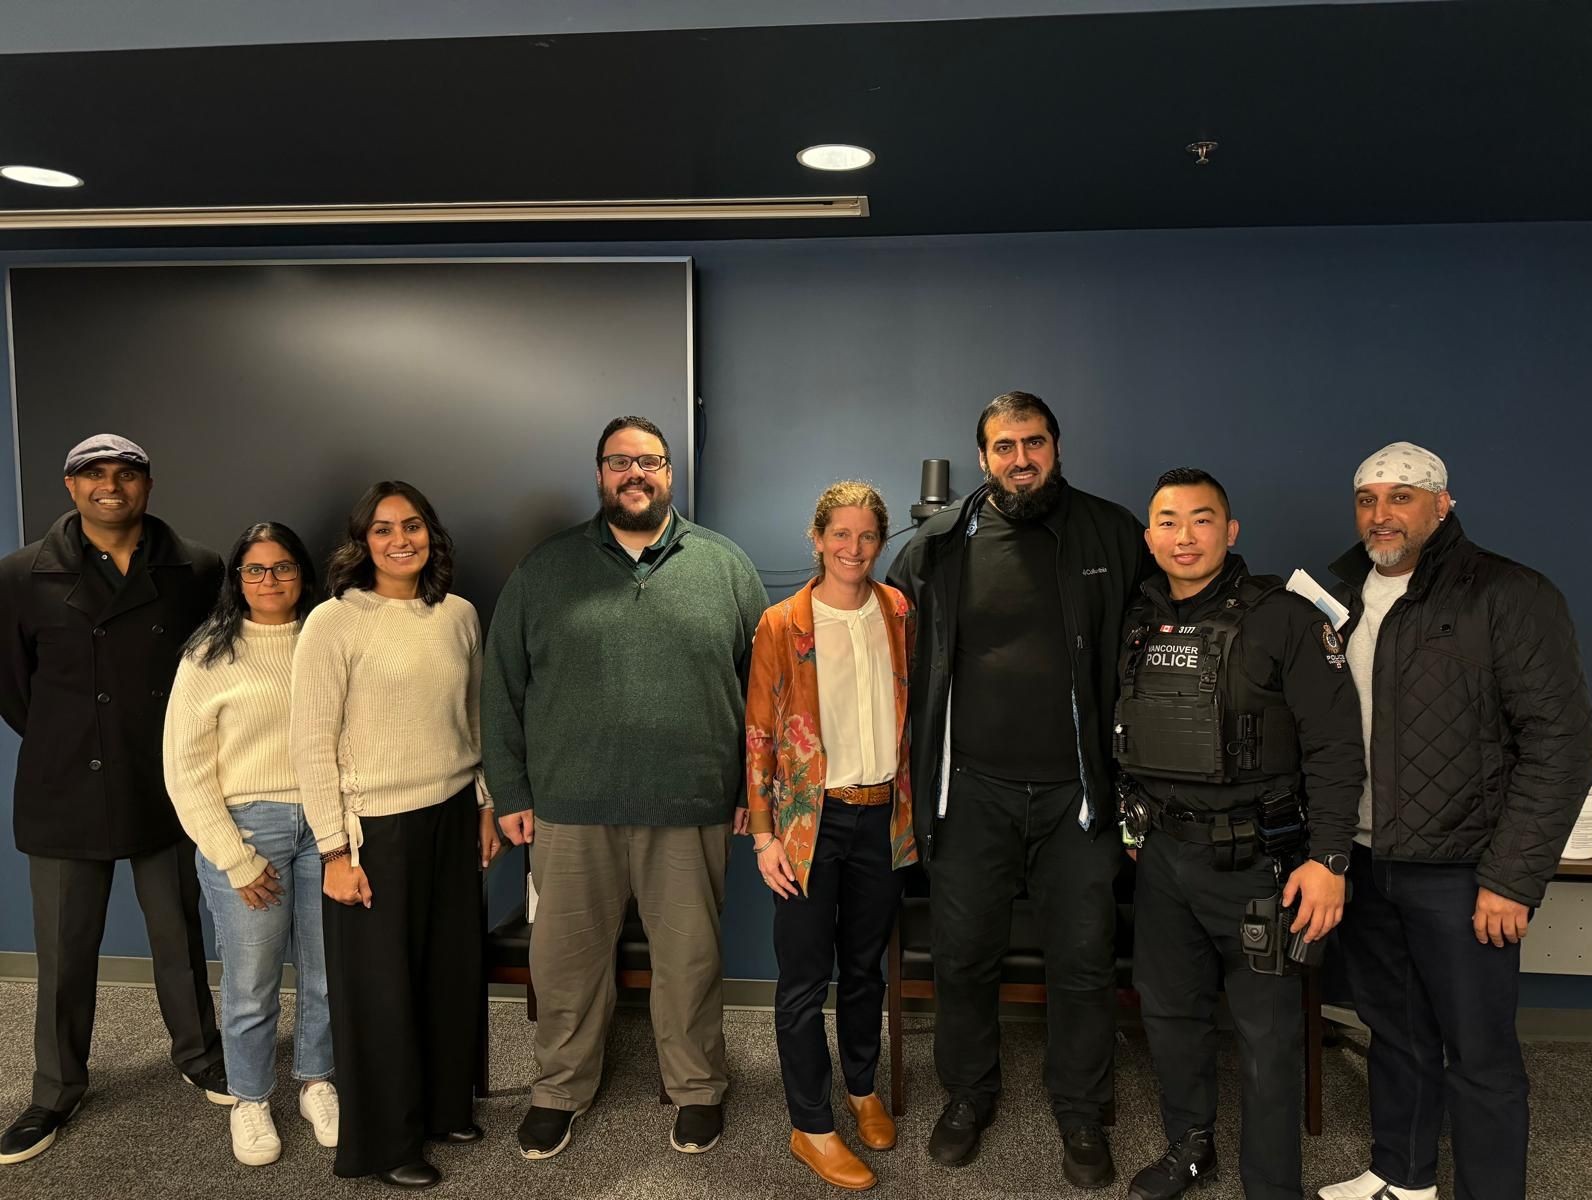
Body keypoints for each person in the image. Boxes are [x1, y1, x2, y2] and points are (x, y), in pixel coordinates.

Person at [484, 415, 767, 1161]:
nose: (635, 474)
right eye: (620, 462)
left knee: (691, 961)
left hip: (692, 805)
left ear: (670, 473)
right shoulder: (545, 569)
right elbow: (500, 686)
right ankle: (558, 1090)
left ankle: (698, 1087)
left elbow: (763, 690)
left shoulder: (725, 565)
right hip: (570, 810)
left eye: (650, 461)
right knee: (566, 963)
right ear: (600, 474)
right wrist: (510, 792)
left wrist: (752, 787)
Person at [886, 391, 1150, 1187]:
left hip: (1080, 795)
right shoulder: (937, 544)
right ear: (983, 458)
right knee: (965, 958)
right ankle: (968, 1096)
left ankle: (1081, 1108)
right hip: (971, 792)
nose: (1021, 458)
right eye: (1004, 446)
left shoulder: (1112, 531)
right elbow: (880, 638)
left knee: (1081, 962)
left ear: (1058, 446)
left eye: (1033, 442)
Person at [1317, 443, 1592, 1200]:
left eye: (1402, 496)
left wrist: (1512, 877)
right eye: (1368, 498)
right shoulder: (1337, 597)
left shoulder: (1507, 593)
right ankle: (1402, 1179)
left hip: (1465, 872)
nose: (1382, 513)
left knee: (1481, 1056)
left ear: (1443, 506)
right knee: (1396, 1035)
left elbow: (1560, 746)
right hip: (1367, 863)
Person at [1115, 469, 1364, 1200]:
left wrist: (1329, 858)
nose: (1184, 536)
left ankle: (1271, 1185)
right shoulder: (1135, 620)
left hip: (1259, 864)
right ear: (1149, 536)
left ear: (1232, 532)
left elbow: (1336, 746)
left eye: (1201, 520)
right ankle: (1191, 1148)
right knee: (1168, 1014)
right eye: (1167, 521)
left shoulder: (1285, 617)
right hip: (1162, 859)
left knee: (1267, 1038)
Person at [0, 434, 228, 1166]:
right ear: (69, 487)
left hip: (164, 780)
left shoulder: (198, 566)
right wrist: (72, 736)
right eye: (93, 475)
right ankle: (54, 1090)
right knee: (65, 954)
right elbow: (12, 685)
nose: (110, 487)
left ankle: (200, 1055)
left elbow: (210, 669)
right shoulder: (19, 574)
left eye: (124, 474)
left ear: (148, 485)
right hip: (65, 785)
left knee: (179, 934)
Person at [290, 481, 501, 1189]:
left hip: (448, 815)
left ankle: (445, 1109)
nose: (399, 539)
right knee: (381, 993)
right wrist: (333, 850)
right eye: (382, 530)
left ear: (431, 535)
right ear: (363, 543)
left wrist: (482, 806)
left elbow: (473, 722)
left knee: (449, 974)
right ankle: (385, 1143)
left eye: (412, 525)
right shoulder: (333, 622)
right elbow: (312, 743)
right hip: (371, 830)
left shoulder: (461, 616)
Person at [746, 481, 916, 1191]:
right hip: (809, 828)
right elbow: (758, 736)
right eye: (839, 535)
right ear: (817, 539)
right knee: (804, 978)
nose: (854, 549)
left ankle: (861, 1087)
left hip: (883, 818)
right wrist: (763, 836)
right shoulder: (782, 623)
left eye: (867, 536)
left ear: (880, 543)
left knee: (865, 968)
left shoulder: (898, 610)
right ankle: (810, 1125)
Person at [163, 522, 338, 1167]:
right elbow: (185, 767)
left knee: (326, 972)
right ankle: (251, 1097)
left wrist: (343, 834)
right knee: (252, 983)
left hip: (326, 827)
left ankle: (319, 1081)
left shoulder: (328, 640)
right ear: (236, 579)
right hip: (247, 830)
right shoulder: (209, 656)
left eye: (284, 567)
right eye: (256, 570)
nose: (271, 581)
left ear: (303, 575)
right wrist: (233, 855)